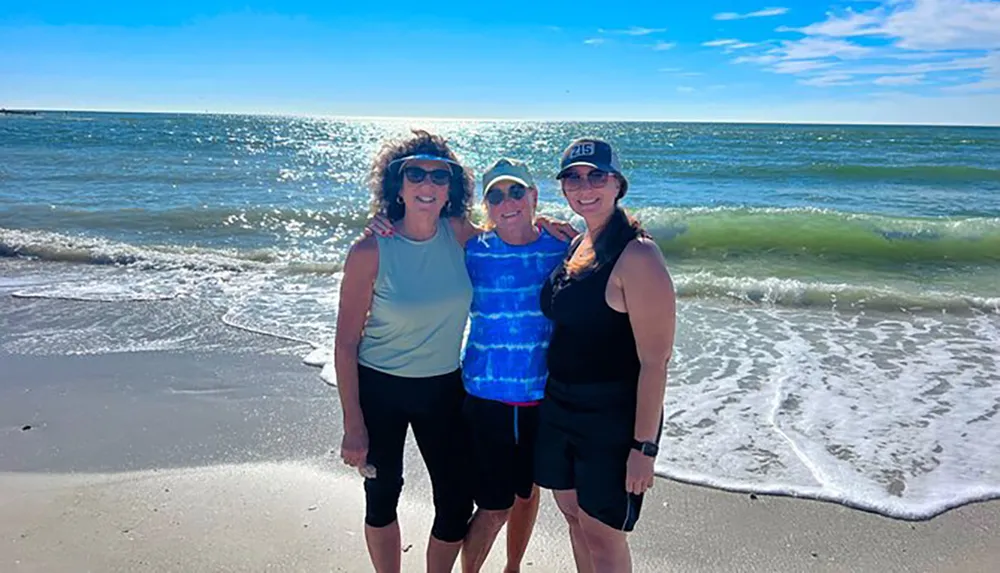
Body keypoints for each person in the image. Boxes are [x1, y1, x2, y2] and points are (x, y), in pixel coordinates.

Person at [334, 129, 479, 573]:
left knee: (456, 503)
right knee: (382, 496)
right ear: (397, 185)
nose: (427, 185)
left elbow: (517, 232)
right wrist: (353, 424)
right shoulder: (369, 250)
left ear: (451, 189)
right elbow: (345, 342)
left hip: (443, 388)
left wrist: (554, 228)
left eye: (439, 176)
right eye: (415, 174)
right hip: (380, 390)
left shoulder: (461, 235)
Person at [535, 138, 677, 573]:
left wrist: (644, 448)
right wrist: (537, 221)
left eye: (597, 175)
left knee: (604, 534)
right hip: (560, 406)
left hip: (609, 419)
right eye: (573, 178)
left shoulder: (638, 255)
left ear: (618, 184)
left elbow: (656, 362)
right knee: (573, 517)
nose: (585, 186)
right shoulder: (578, 242)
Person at [459, 158, 570, 573]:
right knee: (493, 507)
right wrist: (380, 220)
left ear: (534, 196)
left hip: (542, 396)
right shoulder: (472, 250)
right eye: (496, 195)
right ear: (485, 206)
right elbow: (420, 228)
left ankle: (512, 568)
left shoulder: (563, 247)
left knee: (527, 492)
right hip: (485, 398)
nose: (507, 202)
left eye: (516, 191)